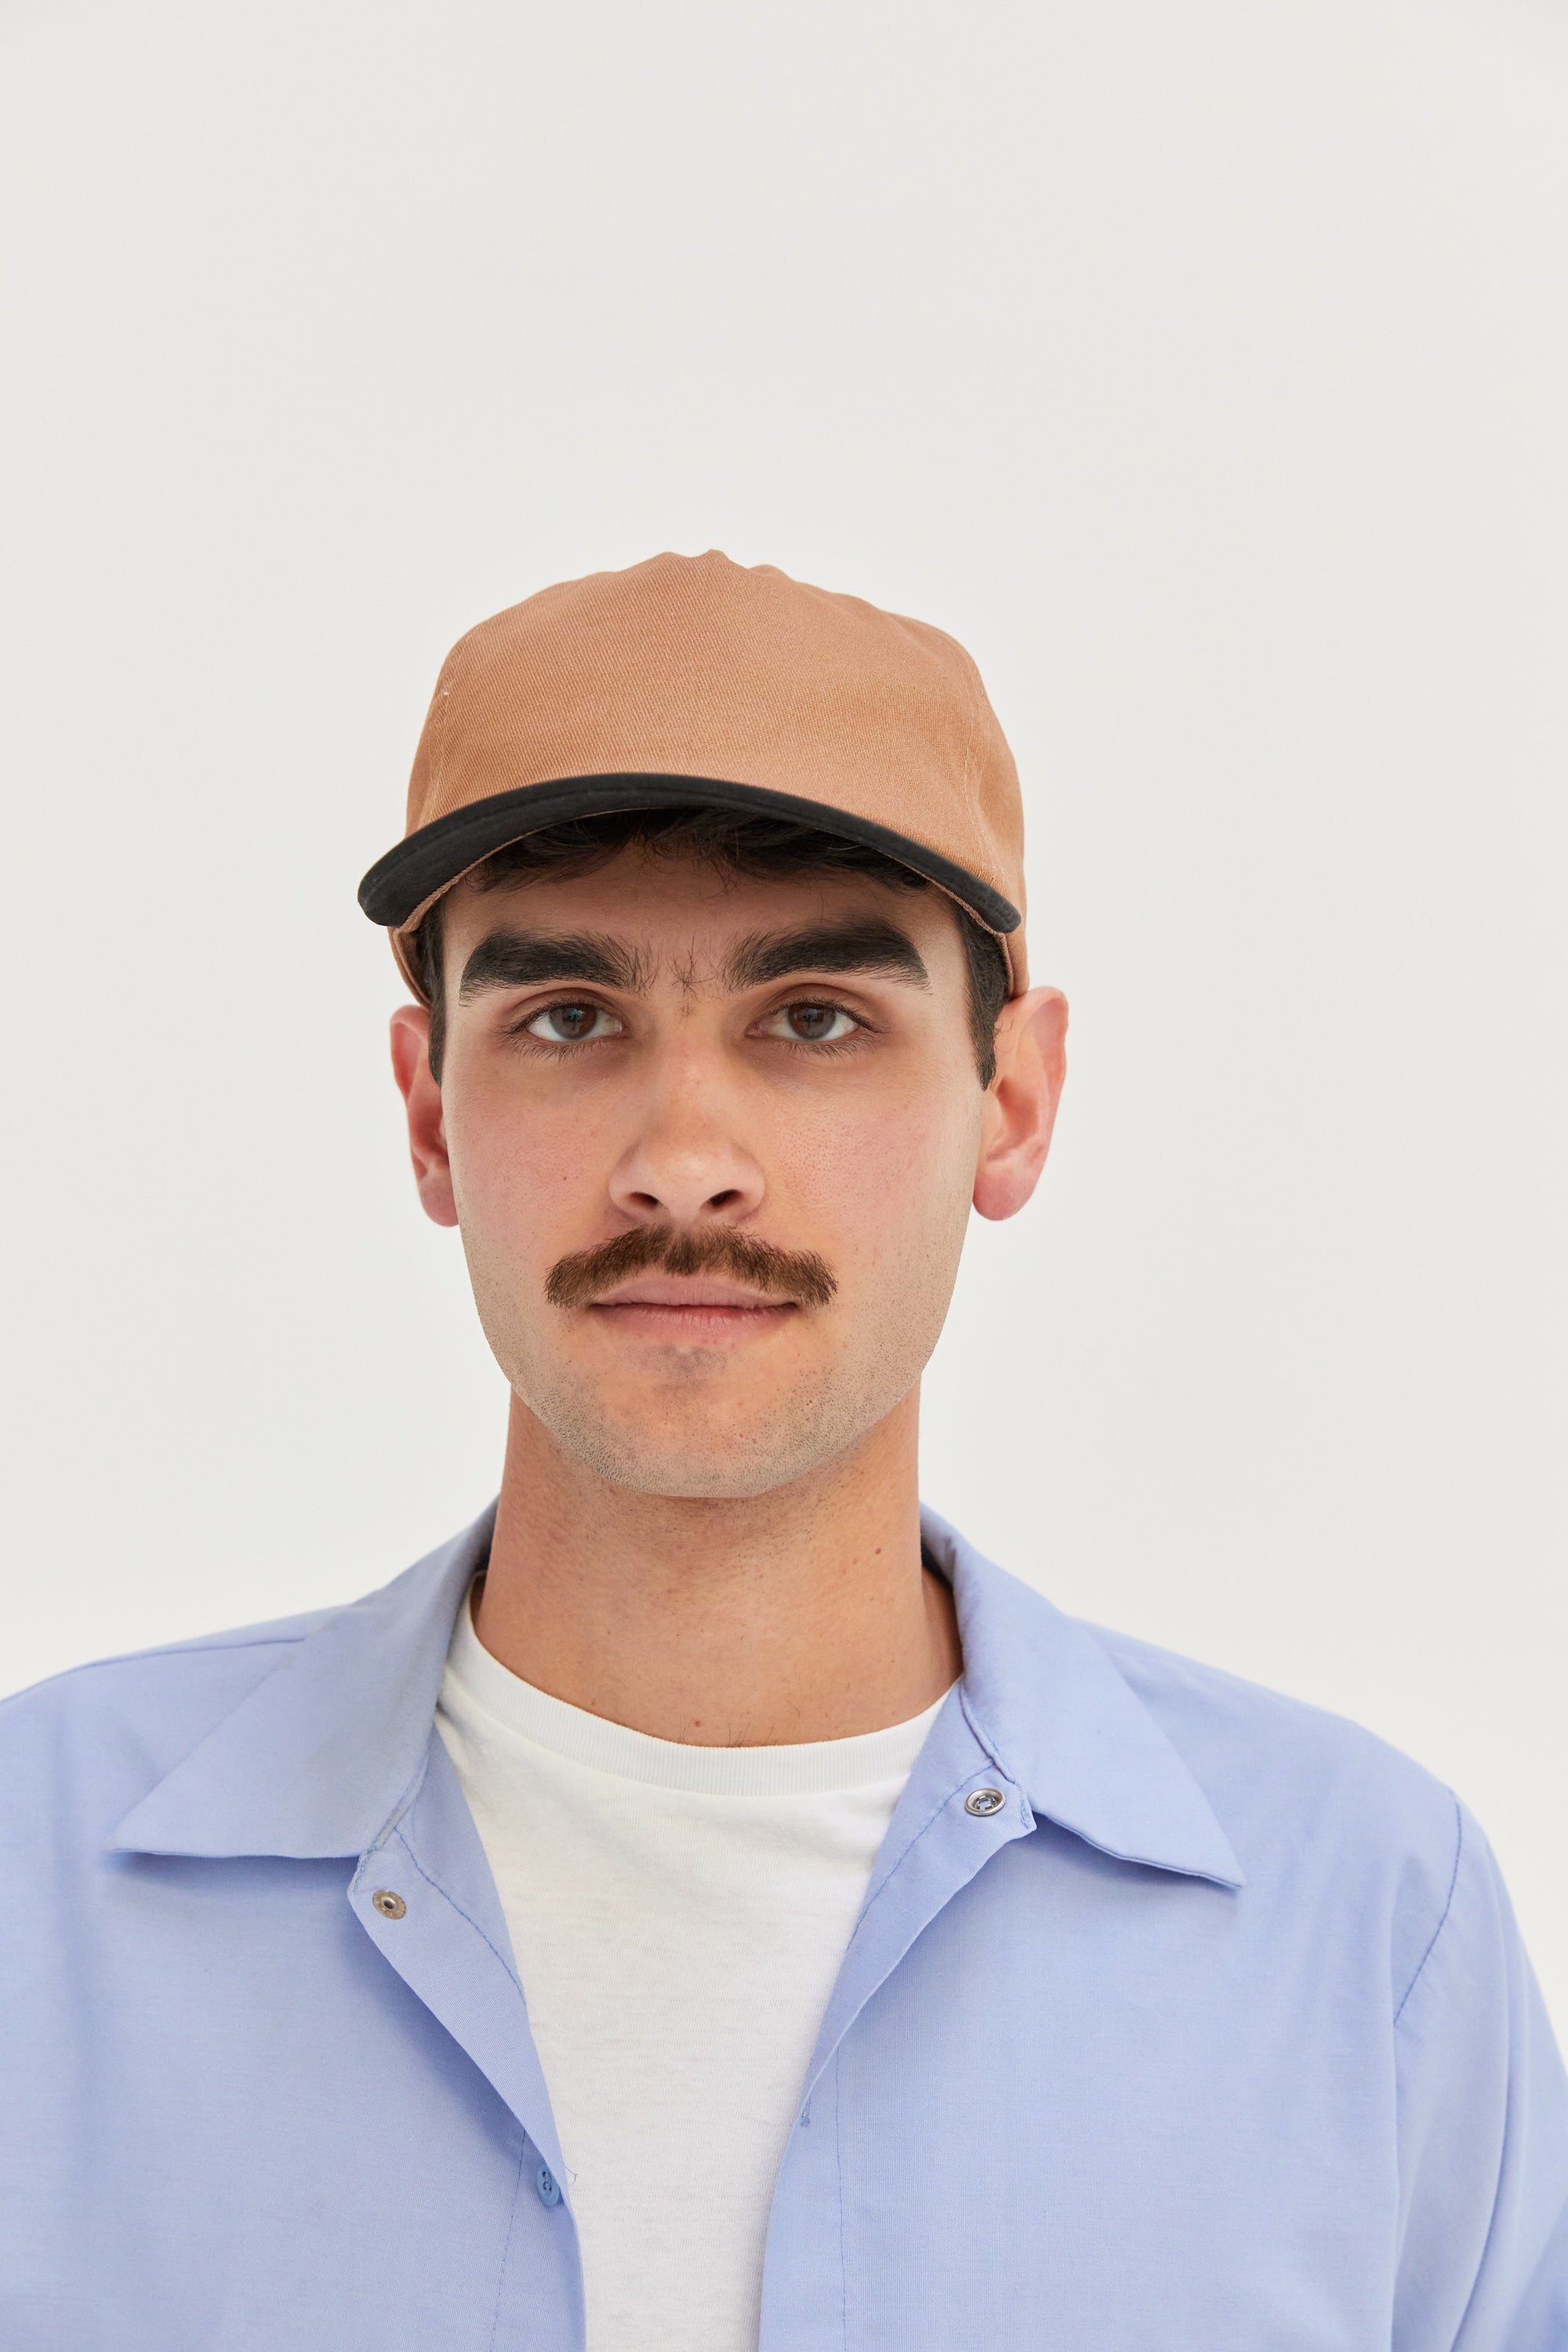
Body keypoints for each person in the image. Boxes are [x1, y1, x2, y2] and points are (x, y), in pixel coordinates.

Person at [2, 550, 1563, 2352]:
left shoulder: (1358, 1930)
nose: (683, 1154)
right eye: (569, 1020)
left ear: (1014, 1100)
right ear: (430, 1110)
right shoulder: (41, 1892)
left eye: (814, 1021)